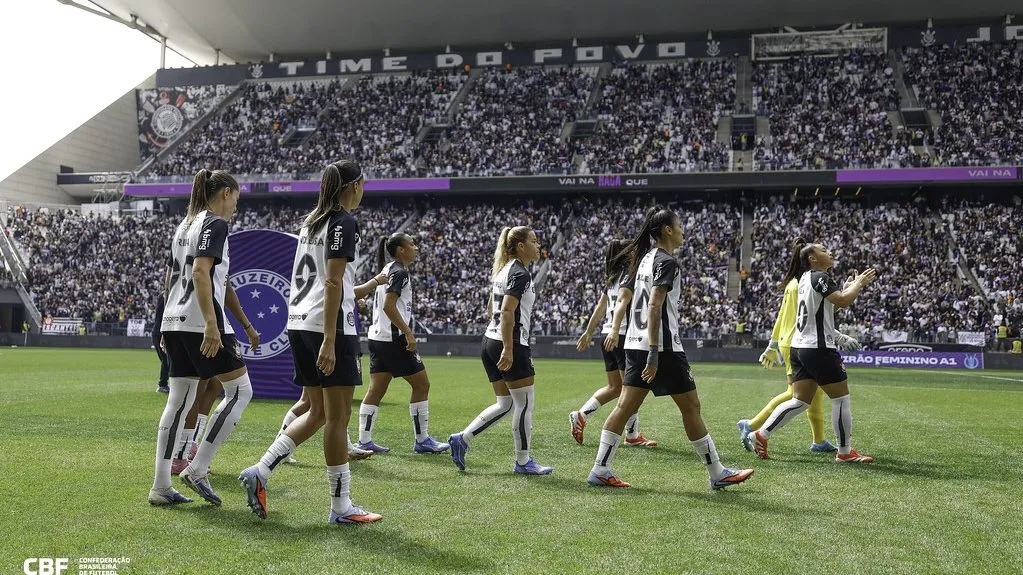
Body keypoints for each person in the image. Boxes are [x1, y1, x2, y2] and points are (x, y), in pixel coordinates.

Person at [239, 159, 384, 524]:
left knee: (318, 412)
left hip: (300, 322)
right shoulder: (343, 222)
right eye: (362, 185)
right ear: (353, 186)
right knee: (337, 417)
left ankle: (261, 471)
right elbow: (333, 283)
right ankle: (341, 507)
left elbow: (332, 281)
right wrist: (331, 340)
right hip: (327, 326)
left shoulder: (311, 222)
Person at [587, 206, 754, 489]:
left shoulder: (642, 260)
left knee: (625, 406)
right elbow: (654, 305)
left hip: (634, 343)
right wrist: (654, 352)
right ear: (667, 230)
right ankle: (717, 473)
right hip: (661, 348)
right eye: (679, 225)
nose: (682, 230)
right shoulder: (666, 262)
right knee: (691, 406)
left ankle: (600, 469)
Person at [150, 169, 256, 506]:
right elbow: (199, 271)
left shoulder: (184, 225)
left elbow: (179, 276)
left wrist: (166, 325)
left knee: (178, 401)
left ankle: (161, 486)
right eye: (236, 199)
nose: (235, 207)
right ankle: (198, 468)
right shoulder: (215, 224)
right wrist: (212, 324)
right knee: (240, 391)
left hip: (175, 320)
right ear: (225, 192)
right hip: (200, 323)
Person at [746, 242, 877, 464]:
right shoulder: (820, 278)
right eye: (824, 250)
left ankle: (760, 434)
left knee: (800, 401)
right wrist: (859, 284)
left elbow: (826, 307)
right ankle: (844, 452)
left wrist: (847, 288)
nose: (831, 252)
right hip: (818, 348)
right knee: (841, 398)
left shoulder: (804, 280)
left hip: (799, 348)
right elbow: (843, 302)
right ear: (812, 259)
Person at [447, 226, 552, 475]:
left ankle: (462, 439)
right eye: (534, 241)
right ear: (520, 247)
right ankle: (523, 461)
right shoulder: (520, 274)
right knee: (524, 404)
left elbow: (490, 309)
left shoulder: (502, 271)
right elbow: (506, 311)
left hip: (489, 340)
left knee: (505, 403)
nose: (538, 246)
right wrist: (508, 347)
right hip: (510, 342)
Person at [737, 238, 838, 455]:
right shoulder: (803, 284)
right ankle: (752, 425)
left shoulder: (796, 283)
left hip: (791, 341)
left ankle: (819, 440)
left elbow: (783, 315)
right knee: (796, 394)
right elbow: (792, 316)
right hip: (798, 342)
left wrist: (774, 343)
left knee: (814, 392)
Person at [356, 233, 450, 454]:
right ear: (400, 250)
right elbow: (390, 306)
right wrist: (408, 332)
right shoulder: (399, 272)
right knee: (422, 385)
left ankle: (364, 440)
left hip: (377, 338)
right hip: (393, 339)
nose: (416, 247)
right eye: (412, 244)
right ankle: (422, 440)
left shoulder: (386, 270)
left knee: (376, 390)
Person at [571, 239, 657, 447]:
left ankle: (582, 414)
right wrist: (617, 331)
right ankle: (631, 435)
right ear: (627, 254)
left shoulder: (611, 279)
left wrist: (589, 332)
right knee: (631, 388)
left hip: (606, 334)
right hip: (622, 336)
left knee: (615, 387)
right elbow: (622, 303)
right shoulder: (631, 276)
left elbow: (601, 308)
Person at [153, 294, 170, 393]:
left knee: (167, 361)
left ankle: (163, 383)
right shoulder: (165, 297)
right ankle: (162, 384)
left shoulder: (162, 296)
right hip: (161, 332)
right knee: (166, 360)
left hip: (158, 331)